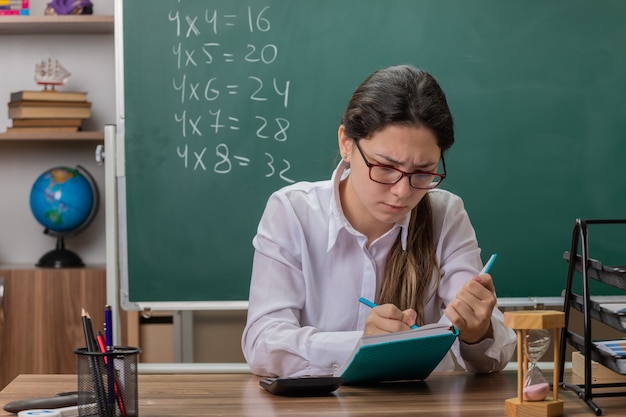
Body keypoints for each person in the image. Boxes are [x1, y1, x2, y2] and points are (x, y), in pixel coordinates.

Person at [241, 64, 516, 377]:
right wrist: (360, 344)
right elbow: (263, 344)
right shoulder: (292, 212)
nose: (402, 192)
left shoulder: (445, 214)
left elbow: (493, 354)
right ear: (346, 143)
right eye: (385, 167)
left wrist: (477, 331)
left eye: (423, 172)